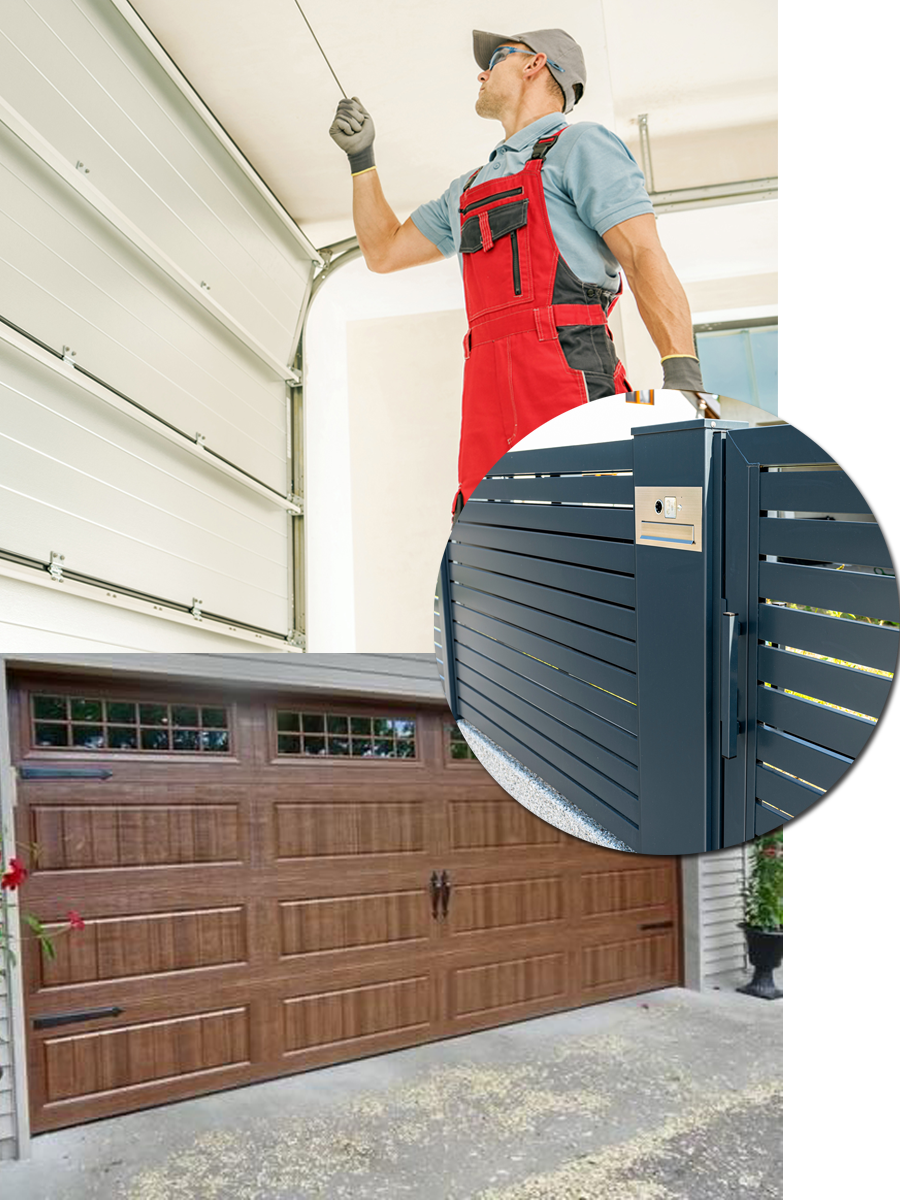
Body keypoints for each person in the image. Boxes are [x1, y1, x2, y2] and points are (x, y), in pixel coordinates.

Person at [330, 28, 709, 516]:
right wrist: (362, 161)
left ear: (535, 64)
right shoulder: (465, 189)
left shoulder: (581, 145)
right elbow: (383, 251)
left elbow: (642, 255)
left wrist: (682, 374)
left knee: (595, 521)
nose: (483, 72)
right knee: (495, 541)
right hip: (484, 392)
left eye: (497, 58)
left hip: (566, 367)